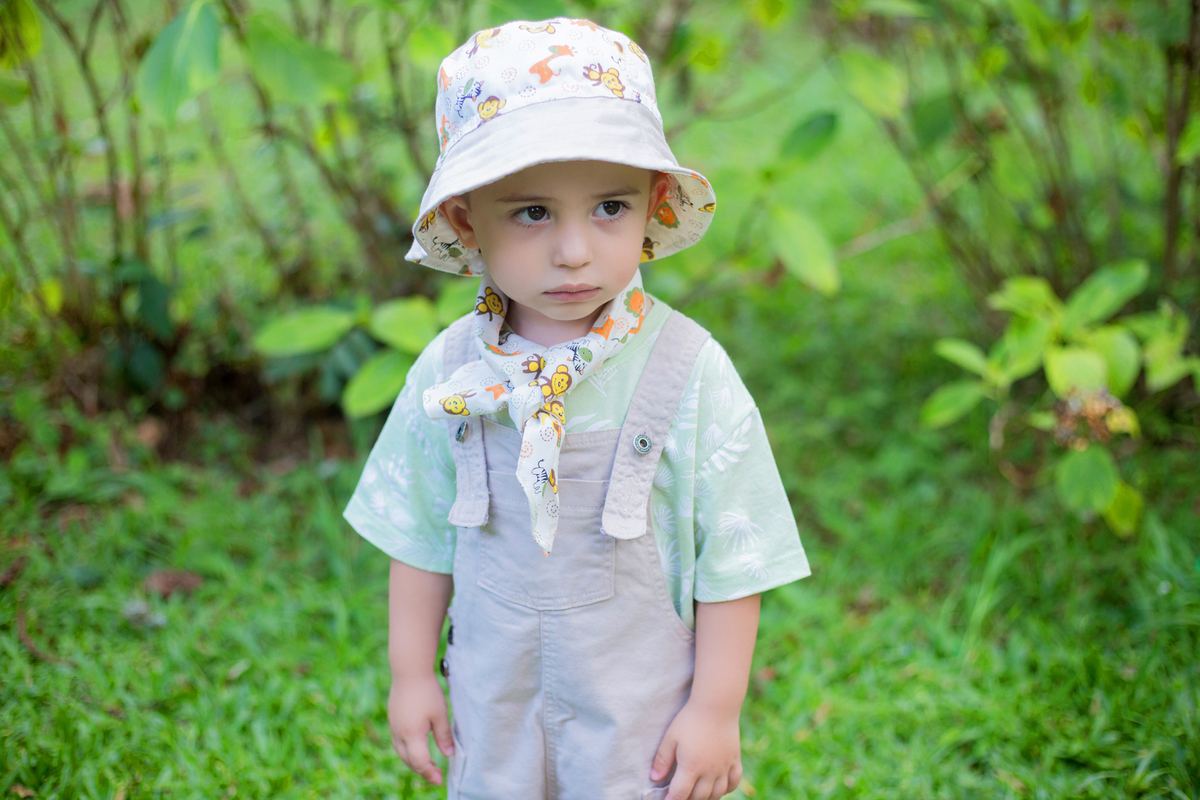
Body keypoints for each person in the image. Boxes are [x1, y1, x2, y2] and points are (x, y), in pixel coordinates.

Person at [343, 17, 810, 800]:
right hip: (495, 712)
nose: (574, 251)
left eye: (609, 209)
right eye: (531, 213)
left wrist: (717, 707)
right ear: (464, 217)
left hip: (643, 727)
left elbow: (735, 557)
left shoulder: (688, 370)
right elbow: (418, 535)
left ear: (655, 203)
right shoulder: (453, 373)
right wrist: (410, 676)